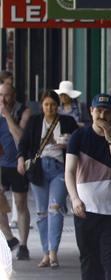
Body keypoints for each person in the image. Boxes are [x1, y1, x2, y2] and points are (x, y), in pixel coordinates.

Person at [65, 93, 111, 280]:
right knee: (89, 261)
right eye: (99, 111)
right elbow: (69, 171)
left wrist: (110, 138)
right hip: (86, 211)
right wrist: (75, 198)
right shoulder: (78, 136)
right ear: (91, 112)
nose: (102, 115)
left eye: (107, 112)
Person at [17, 90, 77, 268]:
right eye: (46, 105)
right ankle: (45, 253)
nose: (49, 108)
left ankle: (53, 253)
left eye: (52, 104)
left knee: (55, 208)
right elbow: (24, 144)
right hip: (39, 169)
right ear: (41, 106)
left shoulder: (67, 121)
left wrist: (68, 143)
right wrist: (21, 159)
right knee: (42, 212)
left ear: (57, 106)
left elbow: (79, 142)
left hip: (60, 169)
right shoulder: (35, 122)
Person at [0, 83, 31, 260]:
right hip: (1, 164)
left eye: (7, 95)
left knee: (20, 204)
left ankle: (24, 245)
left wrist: (7, 117)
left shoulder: (23, 112)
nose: (3, 99)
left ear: (14, 95)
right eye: (0, 95)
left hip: (18, 163)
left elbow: (21, 139)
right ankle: (11, 239)